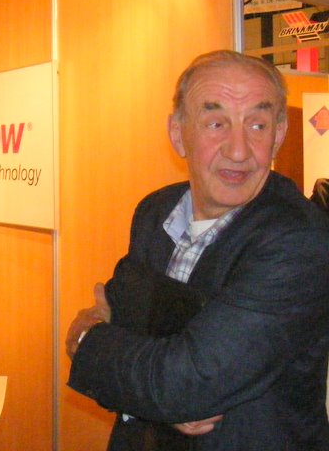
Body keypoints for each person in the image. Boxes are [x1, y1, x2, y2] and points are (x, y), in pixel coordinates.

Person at [66, 50, 329, 451]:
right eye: (216, 124)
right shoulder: (156, 211)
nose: (238, 150)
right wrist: (159, 389)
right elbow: (127, 321)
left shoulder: (298, 241)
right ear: (178, 134)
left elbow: (187, 384)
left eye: (257, 125)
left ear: (278, 135)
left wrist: (86, 340)